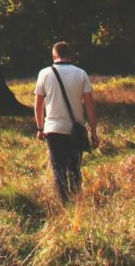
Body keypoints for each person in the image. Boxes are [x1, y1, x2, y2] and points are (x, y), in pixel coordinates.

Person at [34, 40, 98, 203]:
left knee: (58, 168)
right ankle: (77, 200)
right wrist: (94, 132)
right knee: (75, 167)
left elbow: (38, 104)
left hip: (53, 129)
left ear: (54, 55)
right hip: (74, 128)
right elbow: (90, 106)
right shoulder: (81, 74)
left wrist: (40, 128)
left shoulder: (44, 73)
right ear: (70, 55)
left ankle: (64, 202)